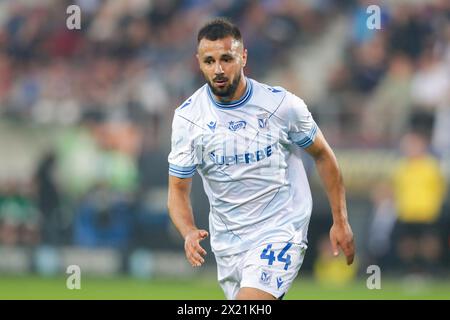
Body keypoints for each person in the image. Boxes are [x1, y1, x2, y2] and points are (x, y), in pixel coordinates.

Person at [167, 18, 354, 300]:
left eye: (226, 59)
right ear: (199, 62)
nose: (218, 69)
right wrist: (188, 231)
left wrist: (340, 220)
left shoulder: (282, 105)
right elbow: (178, 190)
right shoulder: (188, 118)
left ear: (243, 57)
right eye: (209, 61)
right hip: (228, 244)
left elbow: (324, 156)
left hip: (281, 230)